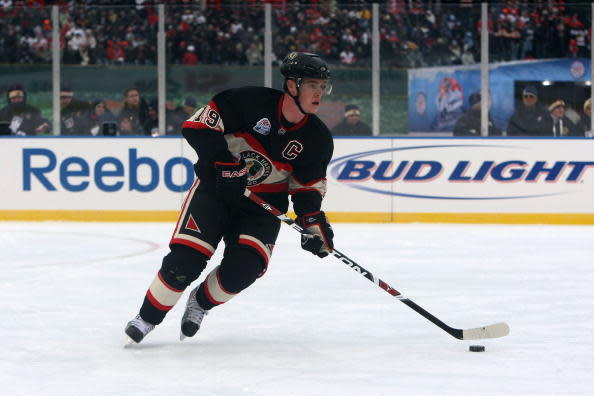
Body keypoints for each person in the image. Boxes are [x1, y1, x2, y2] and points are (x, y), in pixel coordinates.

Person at [124, 52, 335, 344]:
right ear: (292, 85)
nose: (319, 93)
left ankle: (201, 302)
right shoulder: (247, 101)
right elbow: (196, 127)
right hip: (215, 193)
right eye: (313, 85)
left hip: (262, 209)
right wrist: (224, 162)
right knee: (183, 263)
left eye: (323, 87)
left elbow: (307, 190)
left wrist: (312, 224)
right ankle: (146, 318)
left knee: (244, 270)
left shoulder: (318, 138)